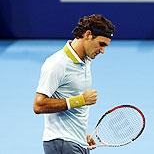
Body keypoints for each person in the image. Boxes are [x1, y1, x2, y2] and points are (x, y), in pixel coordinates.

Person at [33, 14, 115, 154]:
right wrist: (81, 100)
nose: (103, 51)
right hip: (62, 143)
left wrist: (81, 136)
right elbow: (38, 105)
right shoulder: (57, 63)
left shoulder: (85, 61)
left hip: (76, 142)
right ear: (88, 34)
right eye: (101, 44)